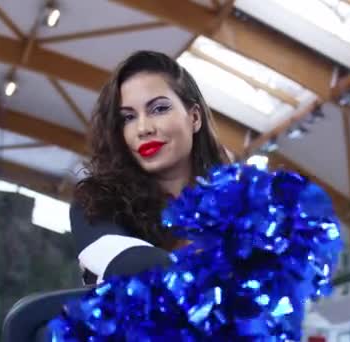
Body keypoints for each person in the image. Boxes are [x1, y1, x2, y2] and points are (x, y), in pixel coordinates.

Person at [71, 50, 231, 285]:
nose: (143, 128)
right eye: (128, 118)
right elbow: (131, 267)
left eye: (159, 109)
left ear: (194, 118)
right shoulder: (96, 203)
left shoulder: (240, 200)